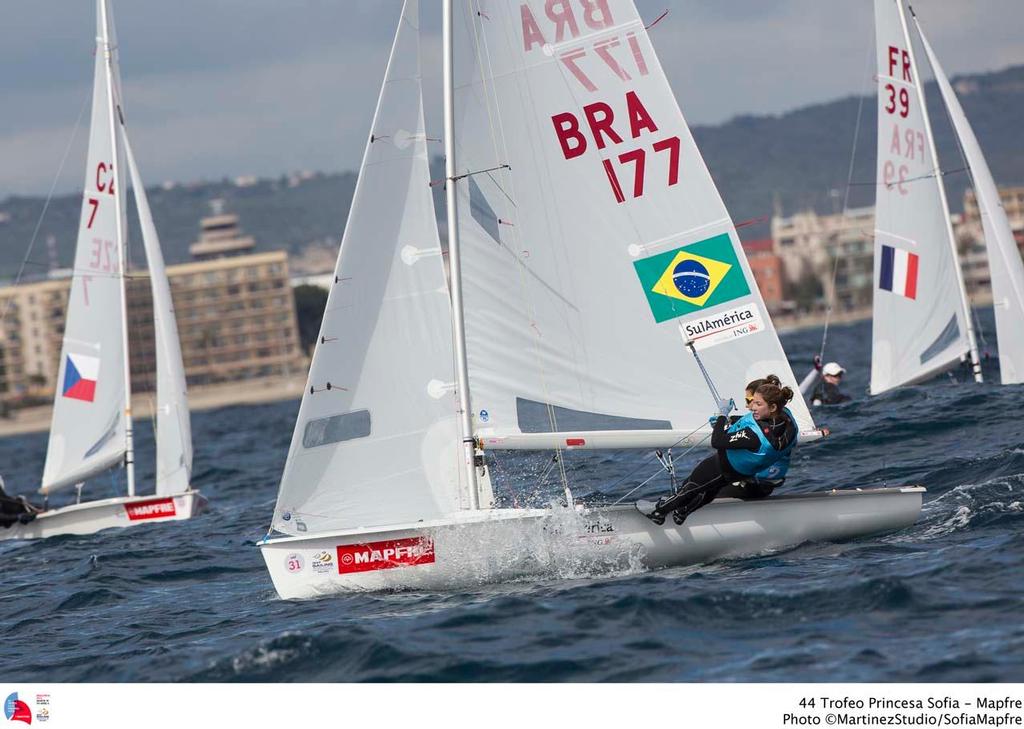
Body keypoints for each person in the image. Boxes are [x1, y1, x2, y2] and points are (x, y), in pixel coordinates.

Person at [638, 380, 798, 525]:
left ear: (772, 407)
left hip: (721, 465)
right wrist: (732, 421)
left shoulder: (754, 436)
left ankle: (659, 513)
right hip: (739, 473)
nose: (752, 407)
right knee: (710, 491)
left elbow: (717, 441)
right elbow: (762, 423)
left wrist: (723, 415)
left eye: (758, 403)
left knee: (692, 487)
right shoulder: (787, 421)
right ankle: (682, 513)